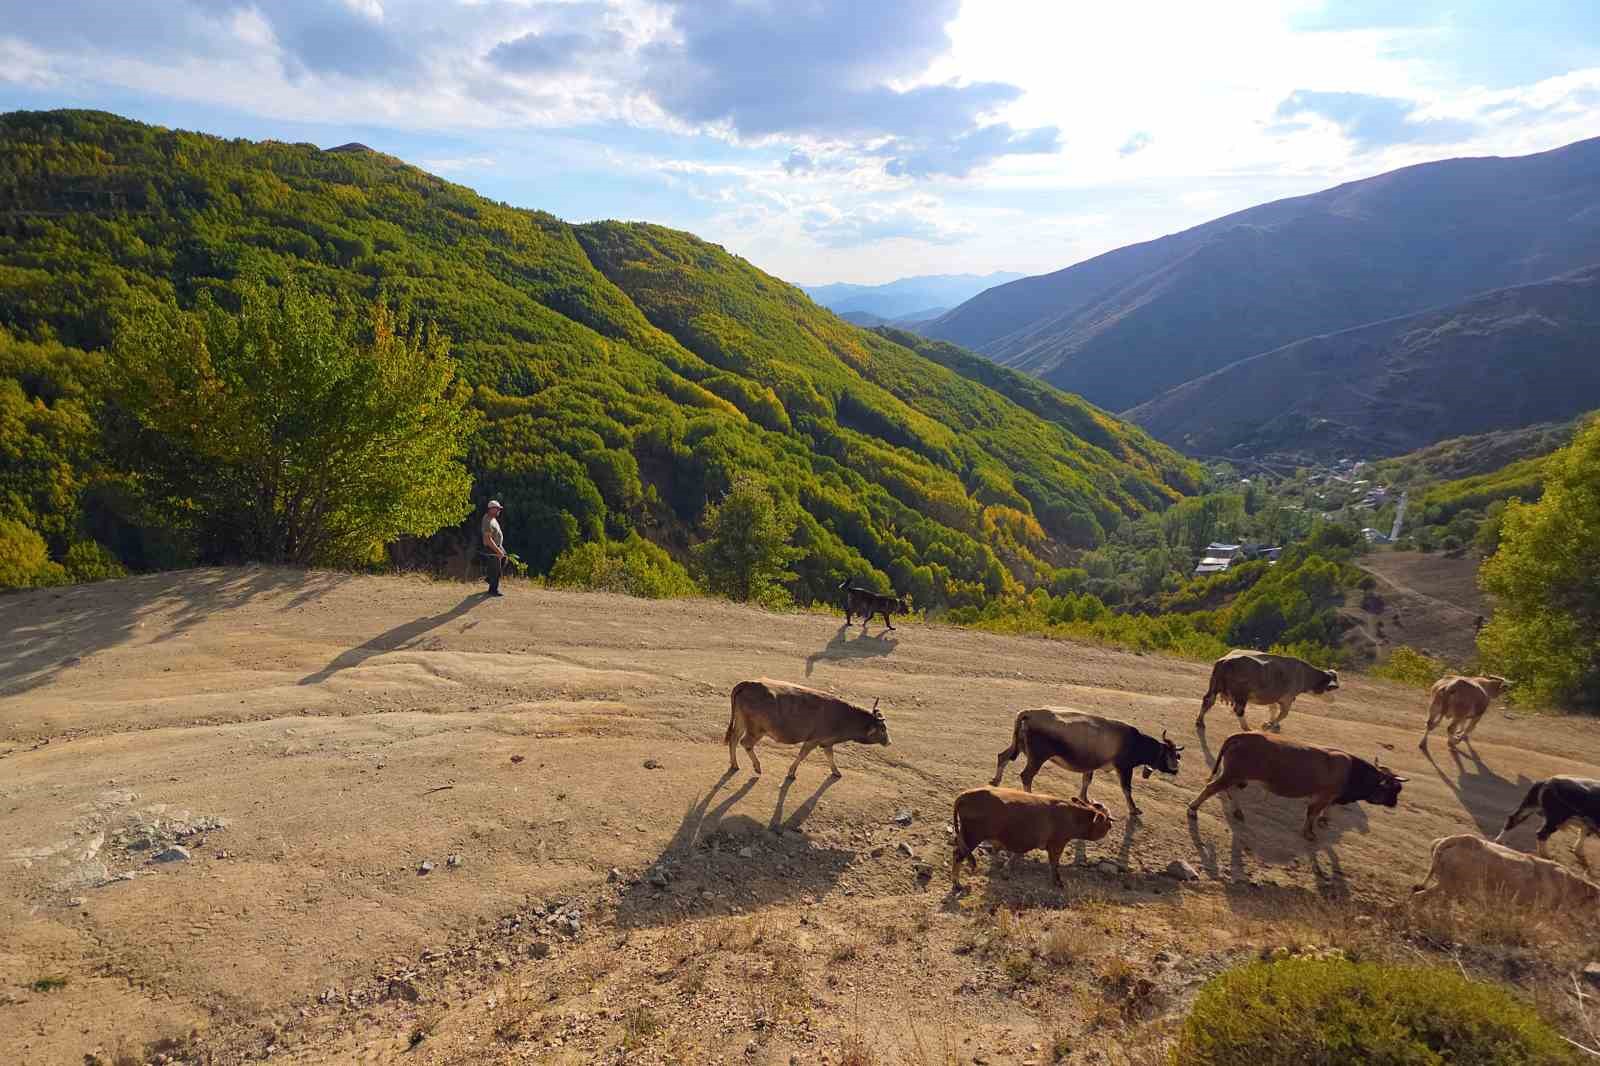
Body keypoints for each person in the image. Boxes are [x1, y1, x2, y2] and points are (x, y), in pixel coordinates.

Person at [481, 500, 507, 597]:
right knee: (496, 569)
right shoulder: (487, 521)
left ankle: (489, 578)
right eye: (497, 509)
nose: (499, 510)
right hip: (492, 547)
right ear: (491, 509)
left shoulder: (492, 518)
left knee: (504, 559)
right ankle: (493, 590)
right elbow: (488, 539)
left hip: (498, 545)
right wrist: (498, 551)